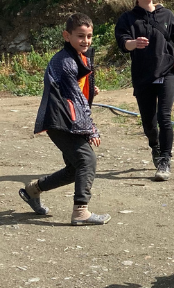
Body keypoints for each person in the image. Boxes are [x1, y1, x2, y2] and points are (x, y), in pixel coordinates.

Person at [20, 13, 111, 226]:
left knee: (74, 169)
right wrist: (92, 129)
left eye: (89, 36)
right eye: (80, 36)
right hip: (60, 120)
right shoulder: (65, 61)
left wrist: (90, 91)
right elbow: (75, 99)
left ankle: (32, 190)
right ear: (66, 36)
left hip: (67, 118)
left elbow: (78, 92)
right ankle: (81, 211)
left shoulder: (79, 56)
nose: (86, 41)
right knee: (87, 160)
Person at [115, 0, 174, 181]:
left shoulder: (166, 14)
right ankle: (155, 147)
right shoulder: (128, 18)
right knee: (149, 123)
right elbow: (122, 42)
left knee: (164, 116)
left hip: (168, 71)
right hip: (143, 75)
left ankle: (165, 160)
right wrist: (133, 43)